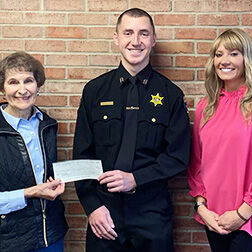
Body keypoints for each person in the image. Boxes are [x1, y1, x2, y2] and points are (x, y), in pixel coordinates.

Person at [73, 8, 190, 252]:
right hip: (104, 212)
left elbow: (178, 157)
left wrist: (135, 179)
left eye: (143, 34)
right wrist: (91, 206)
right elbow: (82, 155)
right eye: (128, 33)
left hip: (152, 212)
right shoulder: (94, 91)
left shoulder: (171, 95)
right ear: (116, 38)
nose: (135, 41)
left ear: (153, 40)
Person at [187, 28, 252, 252]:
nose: (225, 60)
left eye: (234, 53)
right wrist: (201, 207)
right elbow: (197, 163)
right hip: (215, 219)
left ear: (247, 59)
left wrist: (242, 214)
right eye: (219, 54)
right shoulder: (206, 105)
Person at [0, 52, 68, 252]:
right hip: (9, 243)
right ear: (2, 88)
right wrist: (30, 192)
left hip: (51, 238)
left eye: (28, 80)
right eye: (13, 82)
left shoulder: (48, 125)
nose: (22, 90)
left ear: (38, 86)